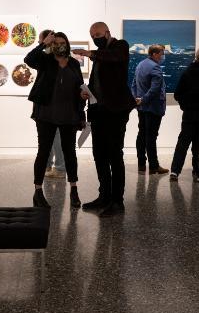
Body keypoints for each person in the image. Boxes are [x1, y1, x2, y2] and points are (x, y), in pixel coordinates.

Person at [72, 22, 136, 218]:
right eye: (92, 35)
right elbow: (98, 82)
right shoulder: (100, 55)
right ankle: (104, 196)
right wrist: (87, 94)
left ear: (107, 33)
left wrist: (88, 53)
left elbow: (115, 57)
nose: (95, 37)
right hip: (98, 111)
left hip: (116, 112)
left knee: (114, 155)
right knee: (99, 154)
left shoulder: (120, 46)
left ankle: (117, 202)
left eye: (98, 34)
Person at [25, 31, 86, 208]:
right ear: (52, 45)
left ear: (67, 44)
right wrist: (43, 44)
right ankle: (38, 191)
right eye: (57, 43)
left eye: (63, 43)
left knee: (70, 153)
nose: (60, 45)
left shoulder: (74, 63)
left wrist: (82, 98)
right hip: (46, 114)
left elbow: (79, 87)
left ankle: (74, 190)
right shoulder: (45, 60)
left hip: (69, 114)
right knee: (43, 152)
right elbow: (29, 59)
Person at [170, 46, 199, 182]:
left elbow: (177, 94)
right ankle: (198, 172)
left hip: (189, 114)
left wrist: (185, 106)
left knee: (183, 143)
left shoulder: (187, 72)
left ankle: (175, 171)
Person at [32, 29, 67, 180]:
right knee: (47, 139)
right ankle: (48, 166)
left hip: (57, 107)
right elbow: (29, 59)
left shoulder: (59, 60)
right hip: (44, 106)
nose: (41, 44)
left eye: (42, 41)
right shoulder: (45, 56)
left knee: (56, 138)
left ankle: (59, 168)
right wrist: (44, 46)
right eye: (41, 42)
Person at [133, 44, 169, 175]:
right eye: (162, 53)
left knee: (141, 134)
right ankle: (154, 166)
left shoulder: (140, 65)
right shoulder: (155, 68)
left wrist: (137, 99)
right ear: (154, 54)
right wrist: (143, 99)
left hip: (141, 107)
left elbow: (133, 84)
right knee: (151, 137)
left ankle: (141, 165)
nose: (163, 55)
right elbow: (154, 90)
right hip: (152, 108)